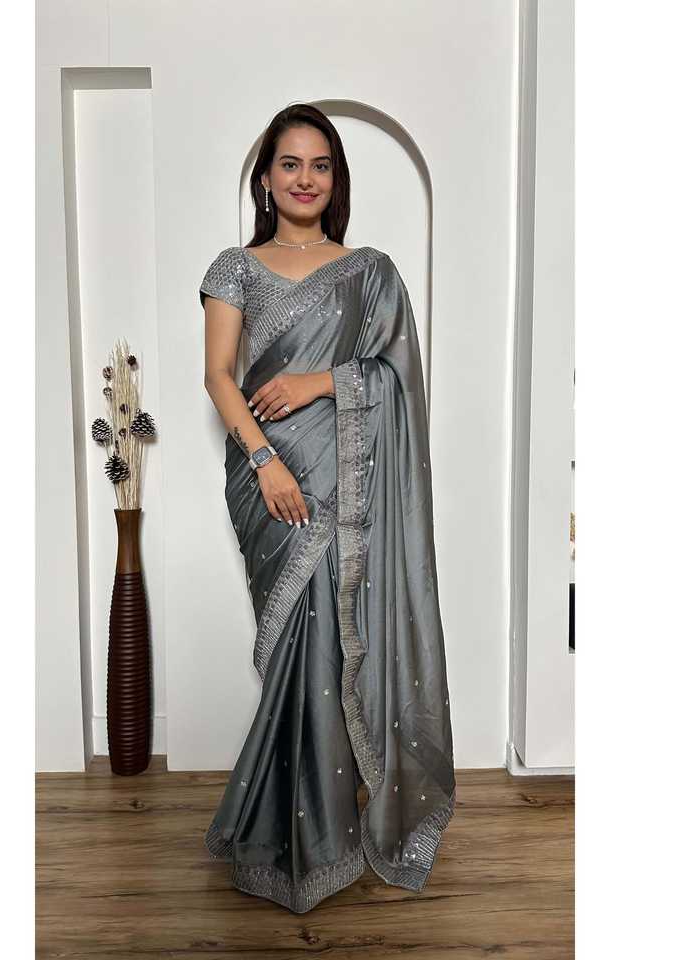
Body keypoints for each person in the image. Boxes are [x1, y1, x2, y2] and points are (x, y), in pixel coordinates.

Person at [200, 103, 455, 913]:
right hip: (269, 482)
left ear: (335, 180)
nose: (305, 179)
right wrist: (265, 461)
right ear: (266, 179)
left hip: (346, 487)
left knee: (327, 649)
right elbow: (218, 377)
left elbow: (397, 379)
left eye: (320, 165)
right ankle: (285, 837)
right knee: (291, 650)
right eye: (290, 164)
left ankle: (323, 838)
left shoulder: (370, 272)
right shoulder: (236, 268)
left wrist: (318, 382)